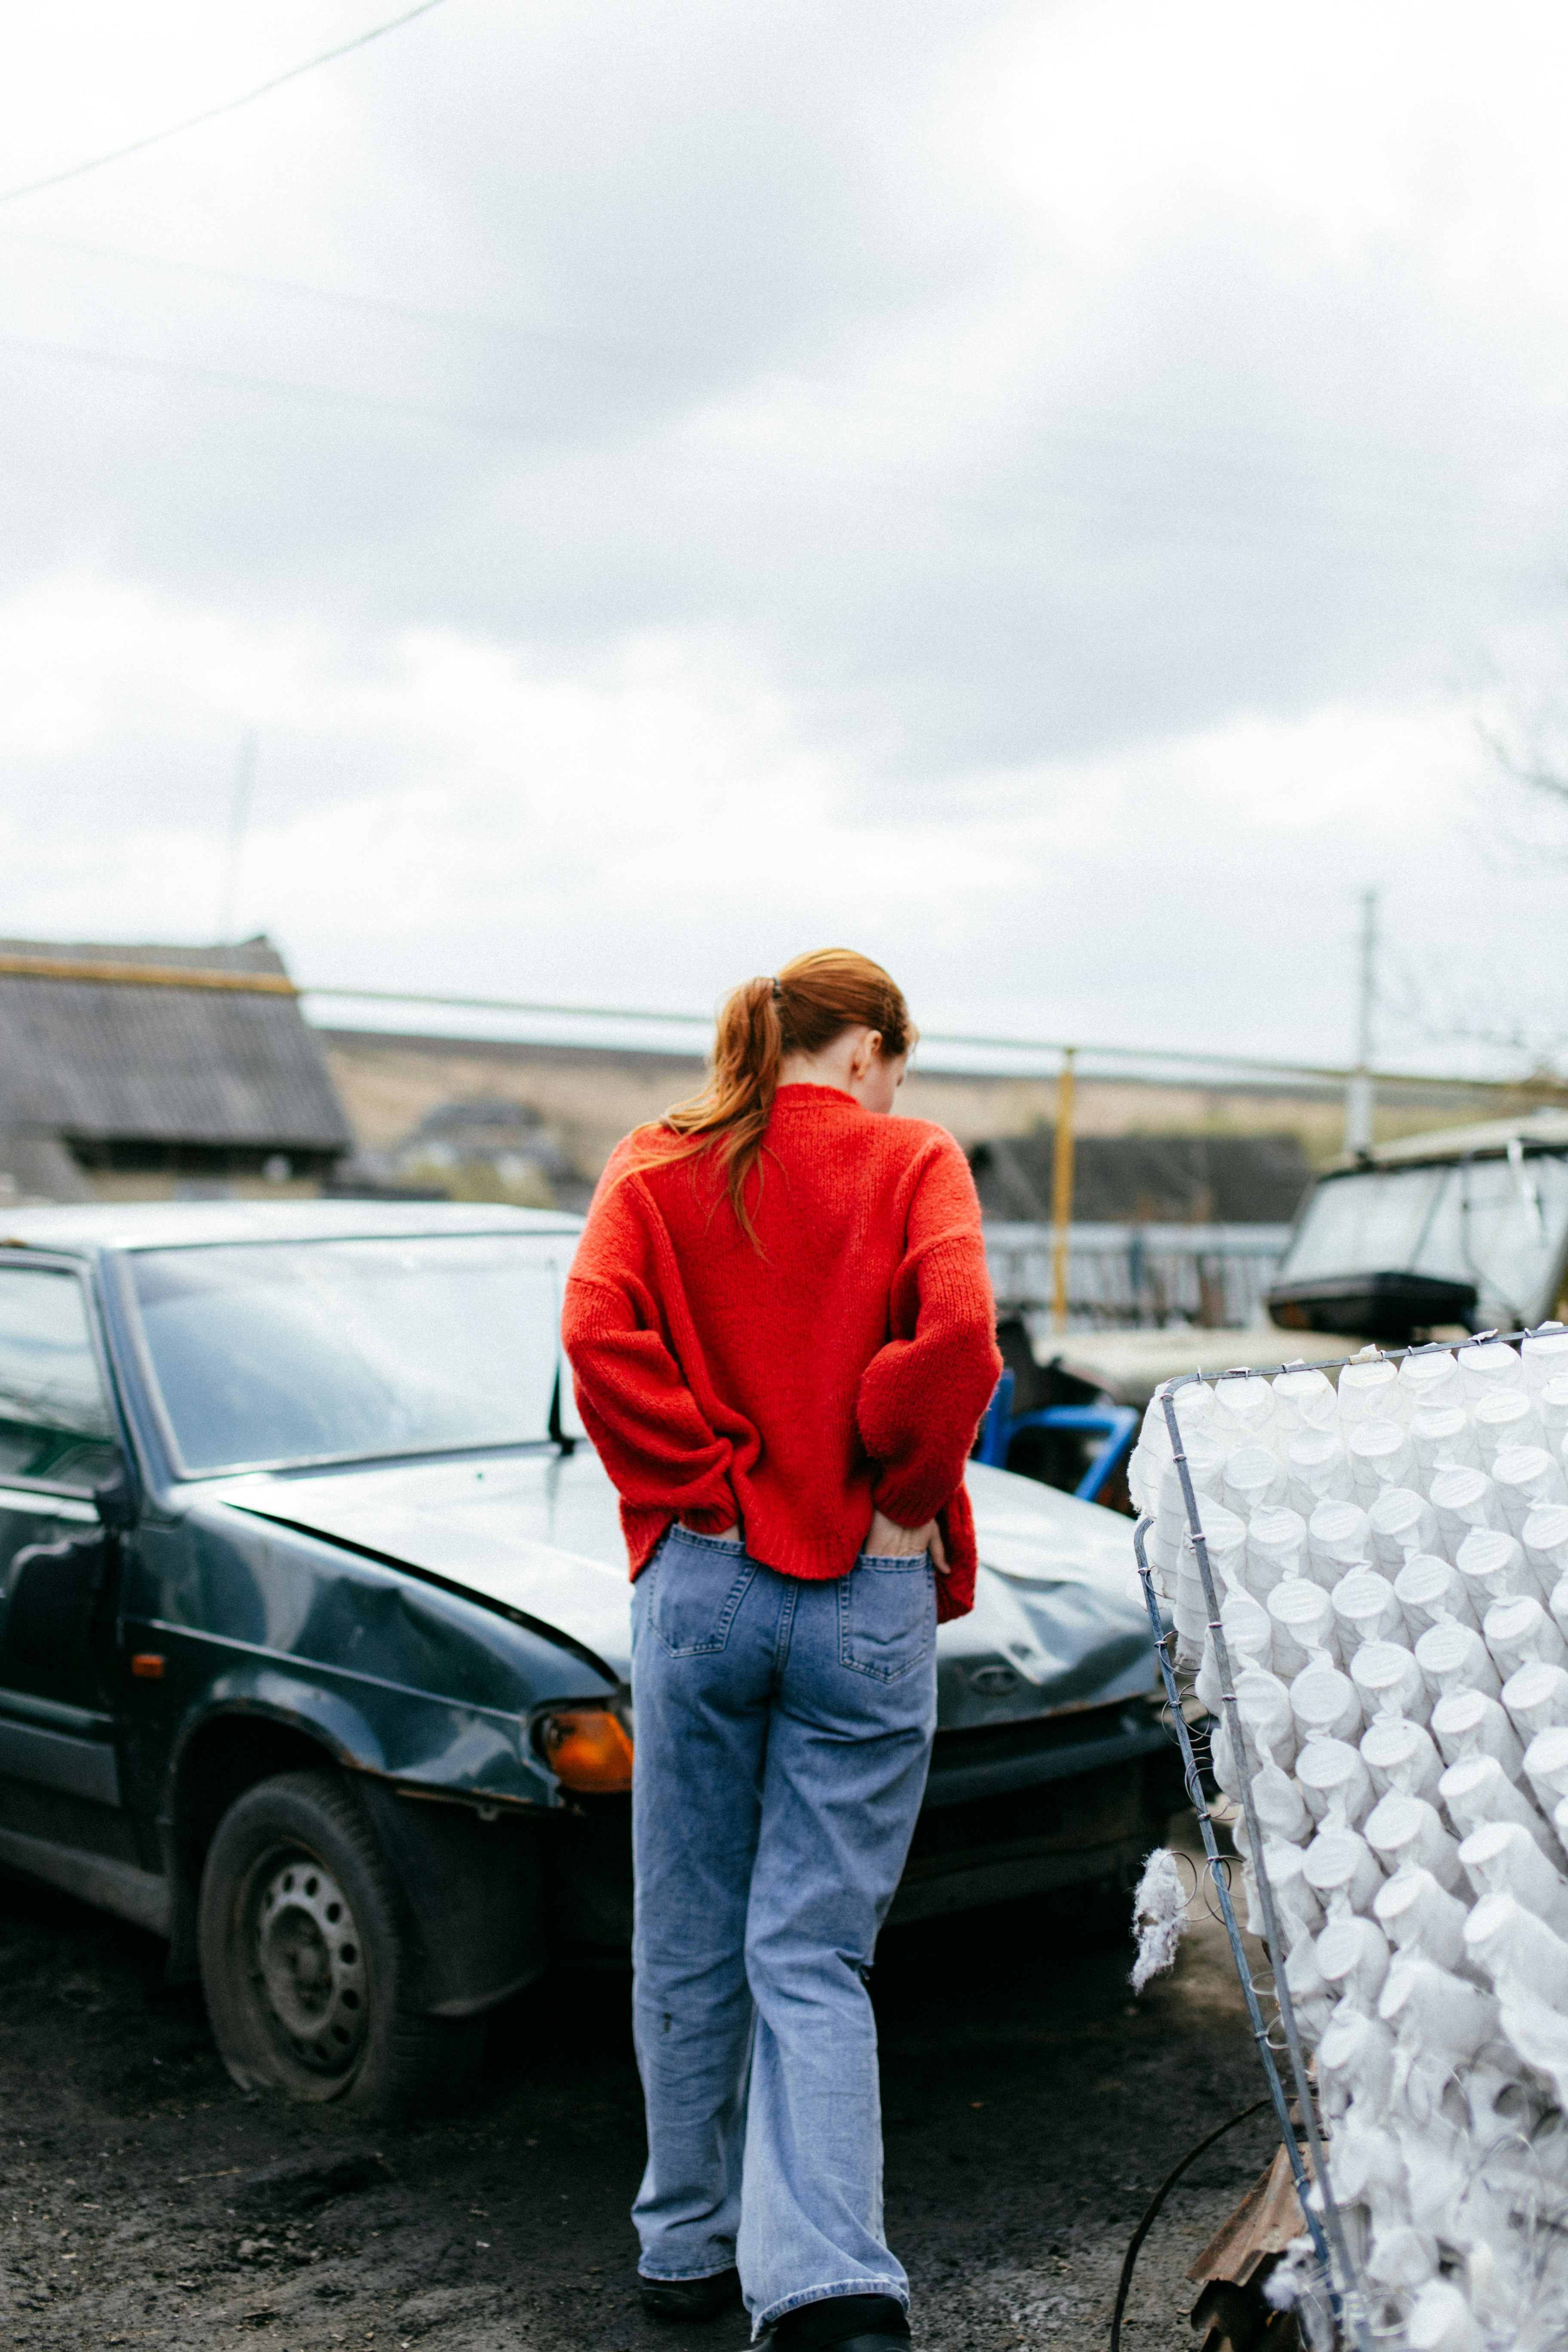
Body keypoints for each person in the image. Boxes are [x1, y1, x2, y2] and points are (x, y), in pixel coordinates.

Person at [562, 948, 1001, 2352]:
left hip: (702, 1581)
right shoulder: (912, 1158)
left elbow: (593, 1331)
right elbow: (963, 1344)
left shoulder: (654, 1164)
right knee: (811, 1952)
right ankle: (830, 2292)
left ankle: (685, 2248)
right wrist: (903, 1499)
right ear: (868, 1047)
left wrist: (707, 1481)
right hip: (866, 1590)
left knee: (685, 1926)